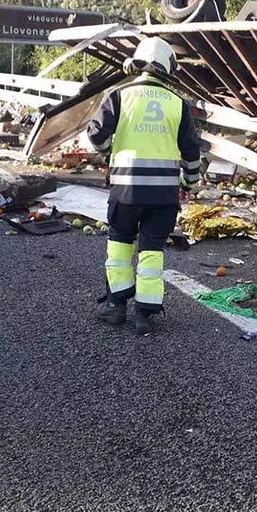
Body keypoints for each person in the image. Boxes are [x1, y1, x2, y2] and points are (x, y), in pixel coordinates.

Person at [88, 37, 201, 335]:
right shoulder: (178, 103)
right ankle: (145, 314)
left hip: (126, 191)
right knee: (151, 250)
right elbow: (191, 151)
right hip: (163, 195)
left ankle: (116, 306)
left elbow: (96, 134)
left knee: (120, 243)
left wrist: (110, 152)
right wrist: (191, 182)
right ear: (168, 67)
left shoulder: (120, 95)